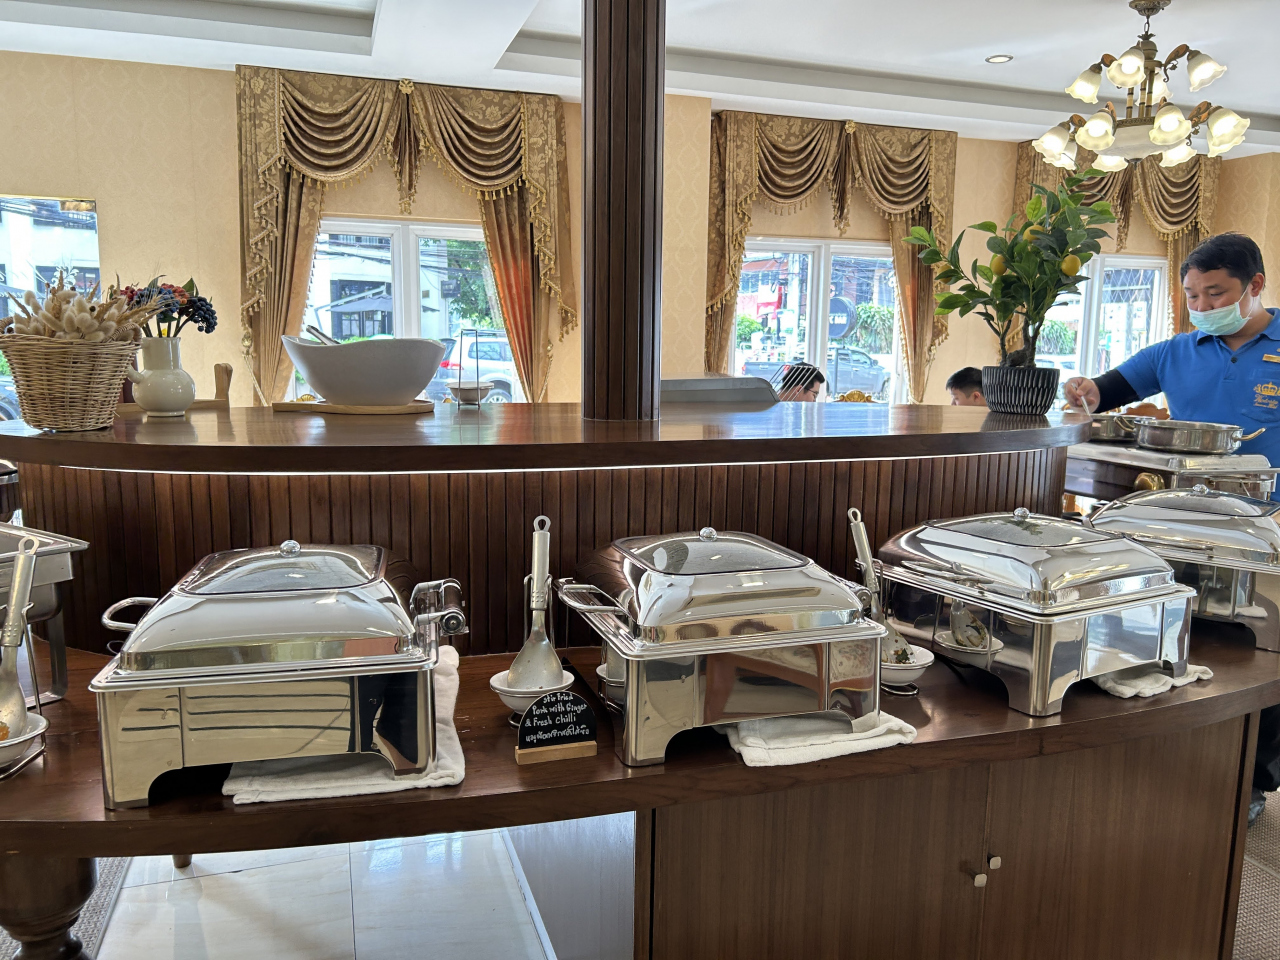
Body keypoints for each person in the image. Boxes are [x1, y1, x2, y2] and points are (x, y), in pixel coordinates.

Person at [1064, 231, 1280, 828]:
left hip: (1270, 530)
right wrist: (1084, 389)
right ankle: (1175, 759)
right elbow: (1103, 392)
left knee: (1267, 655)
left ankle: (1253, 780)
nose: (1204, 306)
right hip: (1181, 521)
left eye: (1217, 294)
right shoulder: (1173, 352)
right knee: (1183, 637)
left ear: (1255, 285)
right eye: (1193, 295)